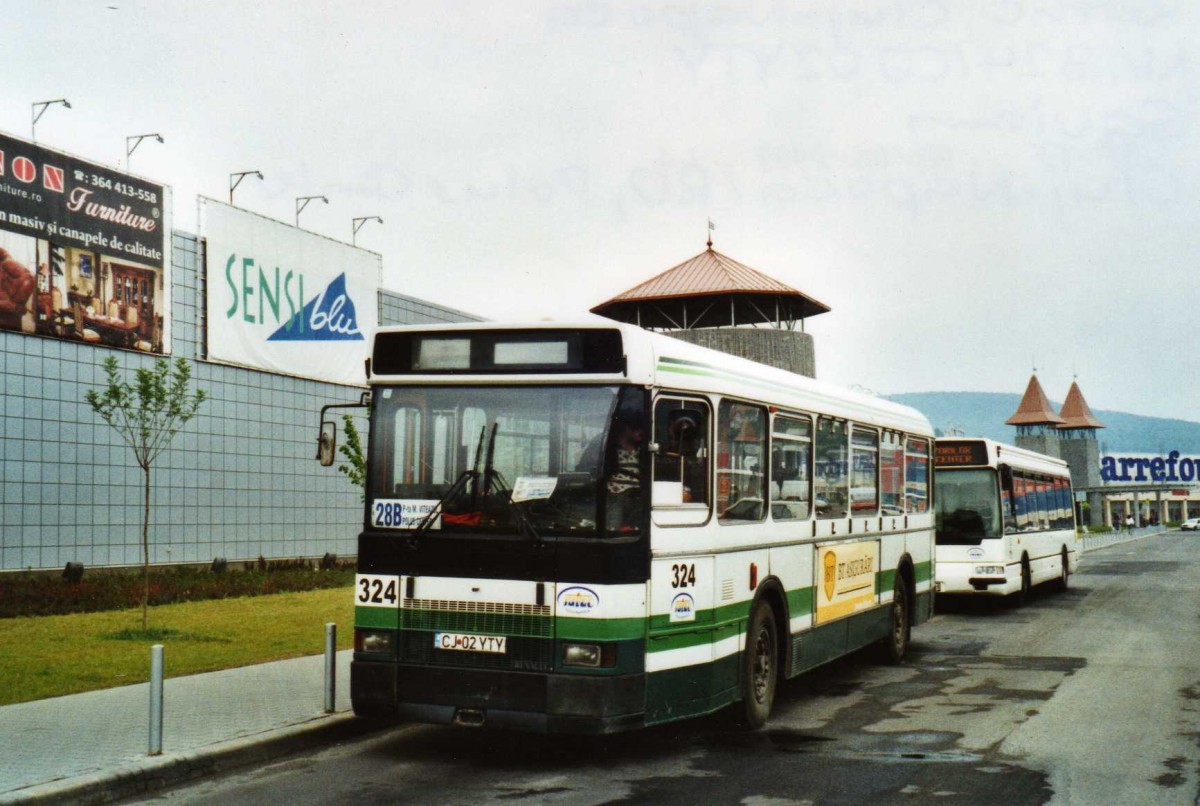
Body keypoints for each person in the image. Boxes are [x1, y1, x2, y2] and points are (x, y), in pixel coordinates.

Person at [605, 421, 644, 532]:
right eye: (636, 429)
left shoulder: (642, 450)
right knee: (614, 529)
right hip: (616, 496)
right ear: (627, 429)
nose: (641, 432)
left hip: (637, 497)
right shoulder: (610, 449)